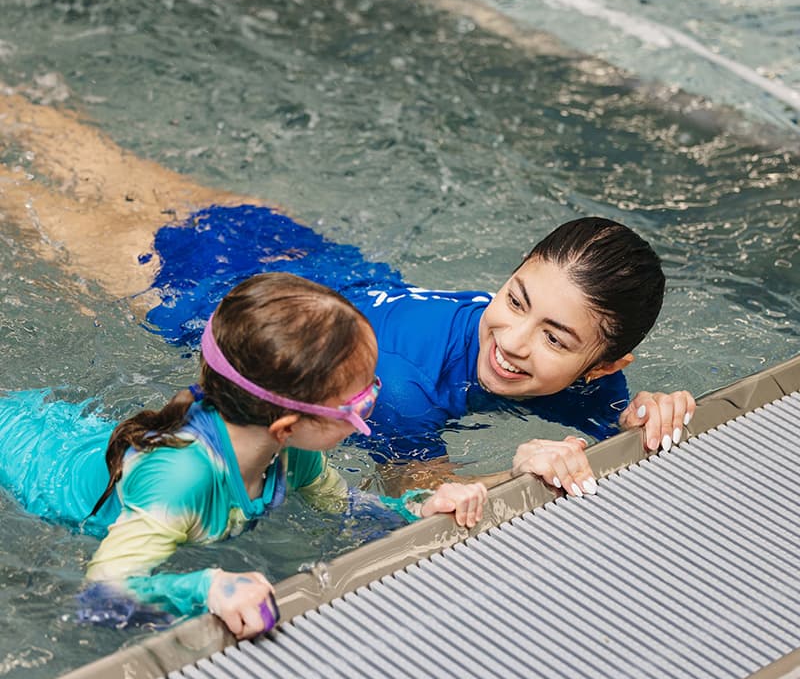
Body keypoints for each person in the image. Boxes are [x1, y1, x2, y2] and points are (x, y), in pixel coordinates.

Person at [1, 87, 693, 499]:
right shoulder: (401, 389)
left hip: (307, 259)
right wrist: (518, 472)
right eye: (515, 300)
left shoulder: (595, 385)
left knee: (85, 167)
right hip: (195, 283)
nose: (511, 339)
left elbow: (626, 435)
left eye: (554, 337)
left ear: (605, 367)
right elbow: (427, 513)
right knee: (38, 179)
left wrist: (650, 418)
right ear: (508, 275)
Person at [0, 273, 487, 639]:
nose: (377, 399)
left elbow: (351, 514)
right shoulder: (183, 480)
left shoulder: (294, 454)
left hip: (64, 434)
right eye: (361, 401)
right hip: (23, 458)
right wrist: (206, 589)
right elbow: (99, 595)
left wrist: (421, 509)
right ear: (287, 425)